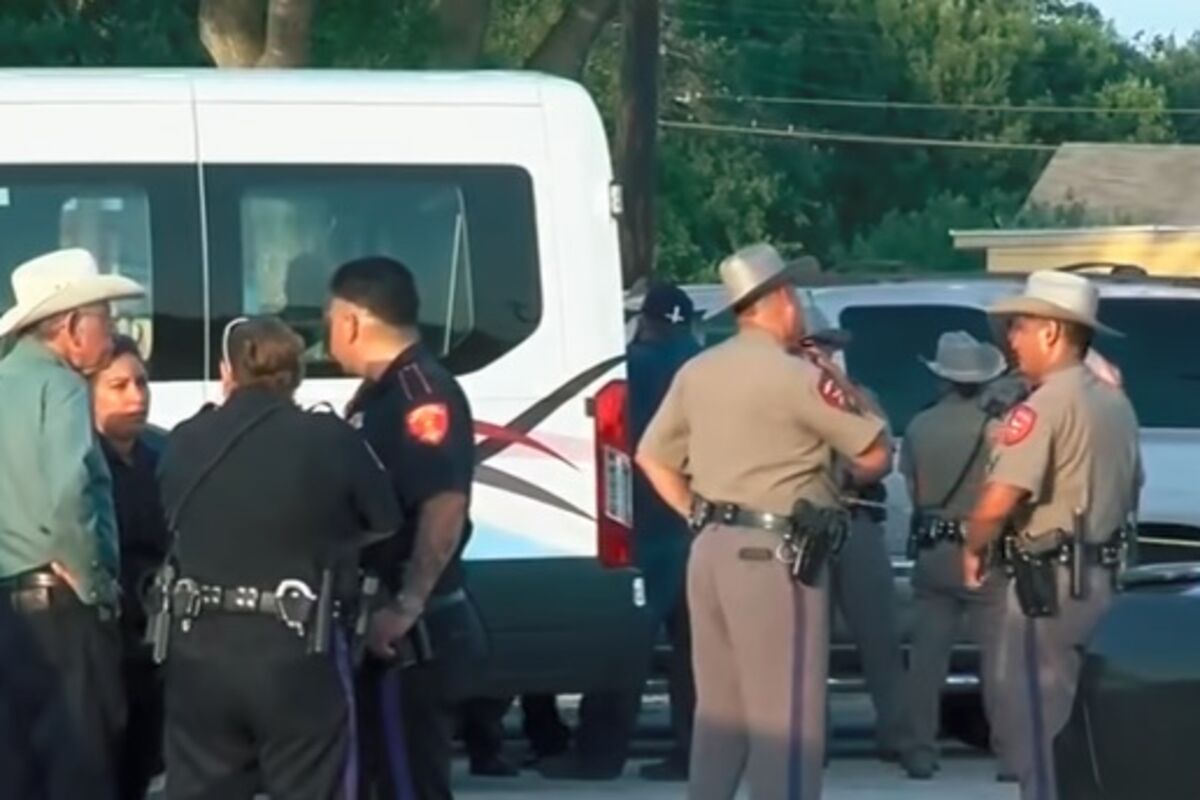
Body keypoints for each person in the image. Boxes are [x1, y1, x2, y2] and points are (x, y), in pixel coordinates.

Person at [636, 243, 893, 800]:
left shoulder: (698, 370)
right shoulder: (796, 376)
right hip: (777, 556)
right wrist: (832, 384)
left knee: (720, 713)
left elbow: (652, 457)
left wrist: (695, 511)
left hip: (710, 549)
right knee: (788, 716)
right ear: (782, 299)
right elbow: (876, 452)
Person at [156, 315, 401, 800]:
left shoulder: (184, 439)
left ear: (227, 372)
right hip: (295, 646)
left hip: (197, 648)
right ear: (296, 373)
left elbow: (166, 515)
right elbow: (386, 519)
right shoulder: (328, 438)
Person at [962, 271, 1141, 800]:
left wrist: (973, 547)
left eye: (1019, 326)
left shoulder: (1044, 406)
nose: (1011, 340)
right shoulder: (1116, 403)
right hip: (1101, 574)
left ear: (1052, 332)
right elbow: (1134, 484)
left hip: (1048, 585)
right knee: (1087, 720)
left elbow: (999, 499)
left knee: (1039, 721)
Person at [327, 255, 487, 800]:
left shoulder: (422, 395)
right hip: (376, 618)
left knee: (409, 779)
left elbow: (443, 505)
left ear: (351, 321)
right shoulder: (380, 393)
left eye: (330, 319)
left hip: (407, 632)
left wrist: (406, 605)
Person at [0, 248, 145, 799]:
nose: (112, 331)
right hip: (61, 609)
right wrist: (94, 583)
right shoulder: (59, 387)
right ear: (70, 325)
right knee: (80, 766)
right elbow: (69, 494)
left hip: (8, 608)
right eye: (104, 318)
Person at [896, 331, 1011, 780]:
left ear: (942, 377)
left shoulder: (920, 425)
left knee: (926, 658)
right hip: (984, 548)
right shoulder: (996, 429)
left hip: (933, 547)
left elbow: (914, 489)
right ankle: (1009, 752)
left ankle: (919, 749)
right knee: (998, 657)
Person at [799, 309, 909, 764]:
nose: (828, 353)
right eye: (819, 344)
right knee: (808, 642)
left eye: (831, 346)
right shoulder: (781, 395)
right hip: (805, 522)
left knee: (879, 634)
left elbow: (881, 437)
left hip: (855, 515)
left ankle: (899, 735)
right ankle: (811, 740)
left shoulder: (856, 394)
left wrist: (839, 384)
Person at [90, 334, 170, 800]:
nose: (136, 397)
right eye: (118, 386)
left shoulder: (163, 454)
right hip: (102, 636)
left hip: (157, 640)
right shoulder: (79, 460)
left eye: (142, 382)